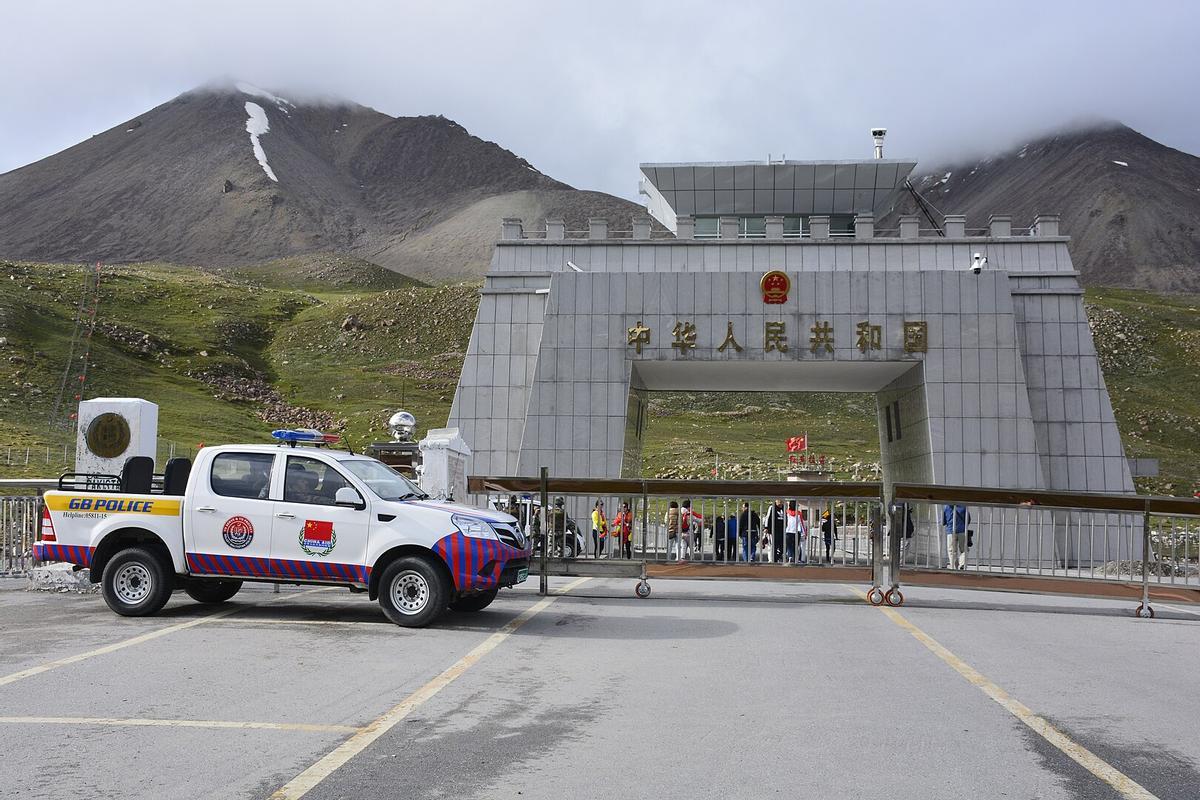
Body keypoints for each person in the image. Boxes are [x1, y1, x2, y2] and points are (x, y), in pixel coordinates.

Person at [943, 503, 970, 569]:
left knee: (952, 551)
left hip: (951, 531)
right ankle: (962, 564)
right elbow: (968, 519)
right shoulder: (963, 506)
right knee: (964, 550)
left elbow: (943, 521)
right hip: (962, 531)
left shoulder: (947, 507)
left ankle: (953, 567)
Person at [767, 499, 787, 563]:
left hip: (782, 530)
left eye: (781, 501)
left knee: (783, 547)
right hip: (774, 530)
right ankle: (774, 560)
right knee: (774, 546)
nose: (780, 503)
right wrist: (767, 528)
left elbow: (786, 518)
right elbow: (768, 518)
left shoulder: (784, 508)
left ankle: (777, 557)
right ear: (776, 501)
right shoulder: (772, 507)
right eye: (779, 501)